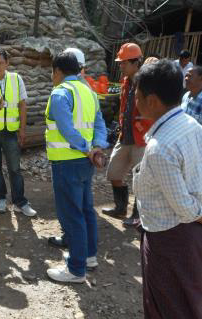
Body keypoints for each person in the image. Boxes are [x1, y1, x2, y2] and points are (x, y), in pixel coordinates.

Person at [133, 59, 202, 318]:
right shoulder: (192, 125)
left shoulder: (160, 147)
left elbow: (185, 209)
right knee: (187, 301)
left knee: (169, 305)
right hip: (186, 235)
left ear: (152, 101)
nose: (136, 103)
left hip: (171, 238)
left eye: (138, 97)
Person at [45, 52, 109, 283]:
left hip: (67, 162)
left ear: (58, 71)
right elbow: (100, 124)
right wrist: (97, 147)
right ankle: (88, 257)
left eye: (52, 72)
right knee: (86, 210)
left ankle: (75, 270)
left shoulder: (61, 92)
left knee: (72, 215)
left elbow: (65, 128)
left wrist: (85, 148)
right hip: (85, 163)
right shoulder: (89, 92)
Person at [0, 48, 37, 217]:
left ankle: (20, 202)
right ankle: (0, 199)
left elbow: (22, 105)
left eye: (1, 63)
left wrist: (22, 130)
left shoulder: (16, 79)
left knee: (15, 168)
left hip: (11, 131)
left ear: (7, 63)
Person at [102, 43, 152, 227]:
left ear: (135, 63)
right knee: (114, 172)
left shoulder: (147, 82)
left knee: (140, 179)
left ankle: (137, 215)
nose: (120, 66)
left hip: (142, 138)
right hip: (125, 136)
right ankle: (120, 208)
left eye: (123, 63)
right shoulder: (125, 82)